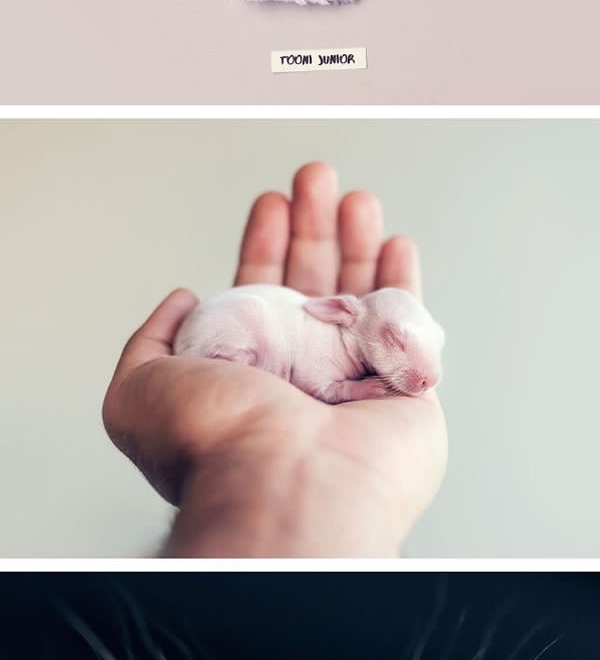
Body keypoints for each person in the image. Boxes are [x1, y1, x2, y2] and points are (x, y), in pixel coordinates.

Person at [102, 158, 447, 567]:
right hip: (227, 329)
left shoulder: (348, 337)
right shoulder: (330, 336)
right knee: (250, 316)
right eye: (394, 339)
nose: (429, 378)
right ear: (343, 312)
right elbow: (323, 386)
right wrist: (352, 391)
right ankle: (228, 355)